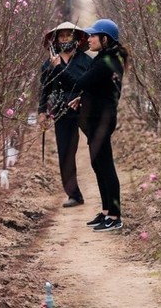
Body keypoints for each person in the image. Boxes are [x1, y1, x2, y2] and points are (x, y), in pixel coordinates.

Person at [50, 18, 128, 232]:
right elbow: (96, 87)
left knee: (106, 167)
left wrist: (58, 68)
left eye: (94, 35)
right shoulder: (105, 57)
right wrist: (82, 98)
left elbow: (78, 82)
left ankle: (115, 216)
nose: (90, 39)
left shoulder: (107, 61)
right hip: (95, 117)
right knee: (97, 165)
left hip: (100, 119)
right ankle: (105, 212)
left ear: (105, 38)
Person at [38, 21, 92, 208]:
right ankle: (74, 195)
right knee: (65, 154)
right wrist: (42, 112)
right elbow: (44, 90)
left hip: (85, 110)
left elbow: (80, 84)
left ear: (76, 38)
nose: (64, 39)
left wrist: (59, 68)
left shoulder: (86, 62)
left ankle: (106, 193)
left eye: (68, 35)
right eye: (61, 36)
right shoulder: (48, 64)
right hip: (61, 112)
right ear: (56, 40)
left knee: (98, 149)